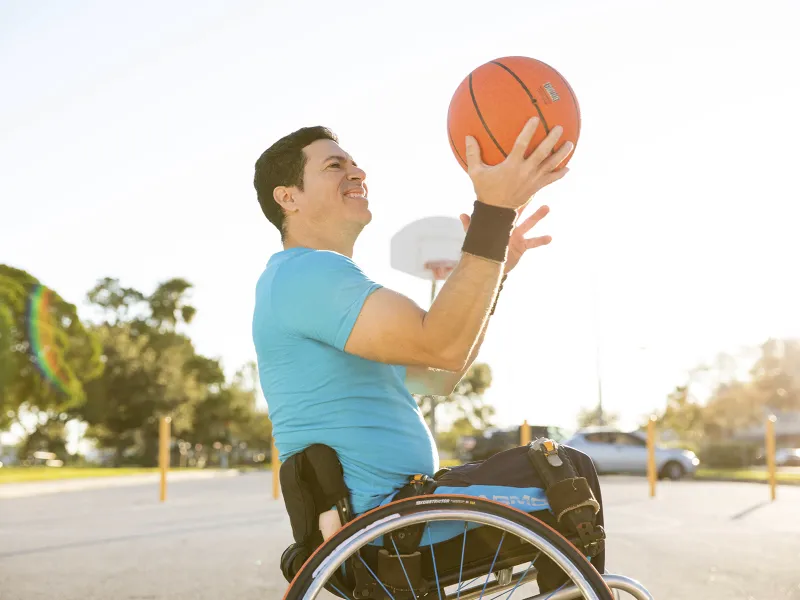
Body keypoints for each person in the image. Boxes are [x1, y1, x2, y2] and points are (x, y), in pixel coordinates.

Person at [251, 118, 570, 516]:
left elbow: (441, 374)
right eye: (334, 166)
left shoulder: (308, 281)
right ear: (288, 198)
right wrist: (493, 212)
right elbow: (441, 346)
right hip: (391, 520)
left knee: (562, 481)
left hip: (400, 514)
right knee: (566, 478)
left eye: (353, 163)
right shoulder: (306, 274)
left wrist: (495, 271)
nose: (358, 172)